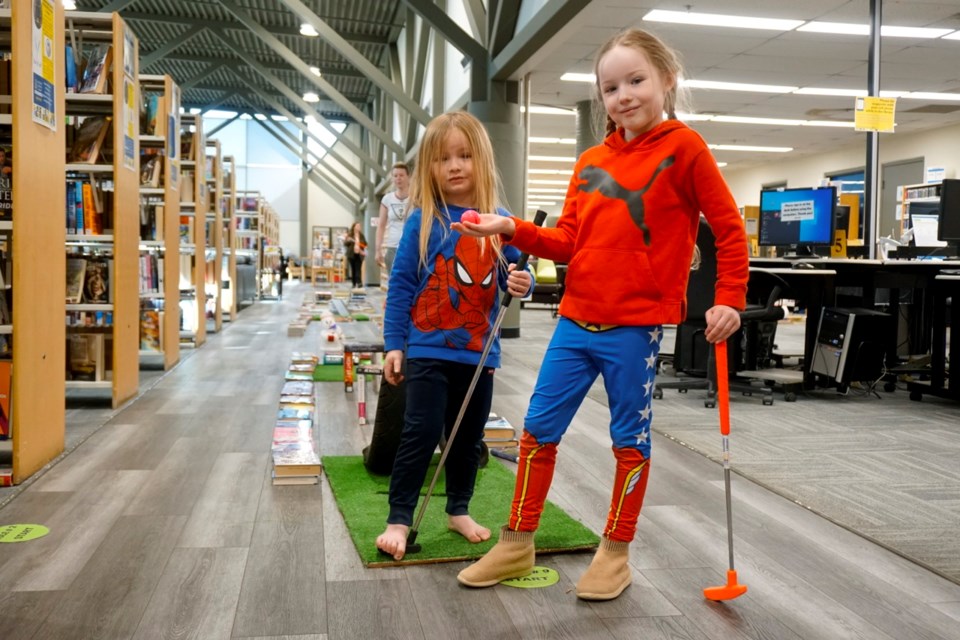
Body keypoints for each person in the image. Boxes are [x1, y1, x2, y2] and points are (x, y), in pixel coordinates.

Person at [454, 28, 749, 600]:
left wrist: (729, 298)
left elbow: (730, 229)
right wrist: (511, 228)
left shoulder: (685, 149)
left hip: (635, 330)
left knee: (629, 442)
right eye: (610, 87)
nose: (624, 95)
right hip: (574, 321)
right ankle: (517, 542)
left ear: (667, 80)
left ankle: (615, 552)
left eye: (636, 80)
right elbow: (567, 240)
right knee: (538, 432)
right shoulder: (591, 160)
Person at [375, 111, 534, 561]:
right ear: (430, 166)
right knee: (419, 433)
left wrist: (522, 283)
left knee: (468, 438)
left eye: (464, 155)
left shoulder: (500, 223)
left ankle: (458, 509)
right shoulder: (423, 221)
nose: (455, 166)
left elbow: (517, 276)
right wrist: (394, 344)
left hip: (478, 354)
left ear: (481, 160)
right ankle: (399, 518)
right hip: (426, 348)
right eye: (443, 158)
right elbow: (403, 285)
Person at [376, 162, 411, 290]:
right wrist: (378, 249)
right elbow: (381, 226)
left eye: (401, 175)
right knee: (394, 285)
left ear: (408, 177)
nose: (398, 178)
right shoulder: (387, 199)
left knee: (410, 283)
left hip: (411, 246)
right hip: (392, 247)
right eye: (395, 176)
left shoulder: (417, 198)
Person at [343, 222, 367, 288]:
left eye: (359, 226)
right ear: (354, 227)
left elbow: (365, 244)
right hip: (351, 255)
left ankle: (359, 283)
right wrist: (350, 240)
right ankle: (353, 283)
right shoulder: (350, 235)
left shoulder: (361, 235)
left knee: (358, 269)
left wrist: (359, 243)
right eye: (357, 226)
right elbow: (345, 244)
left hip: (359, 255)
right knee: (353, 269)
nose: (359, 227)